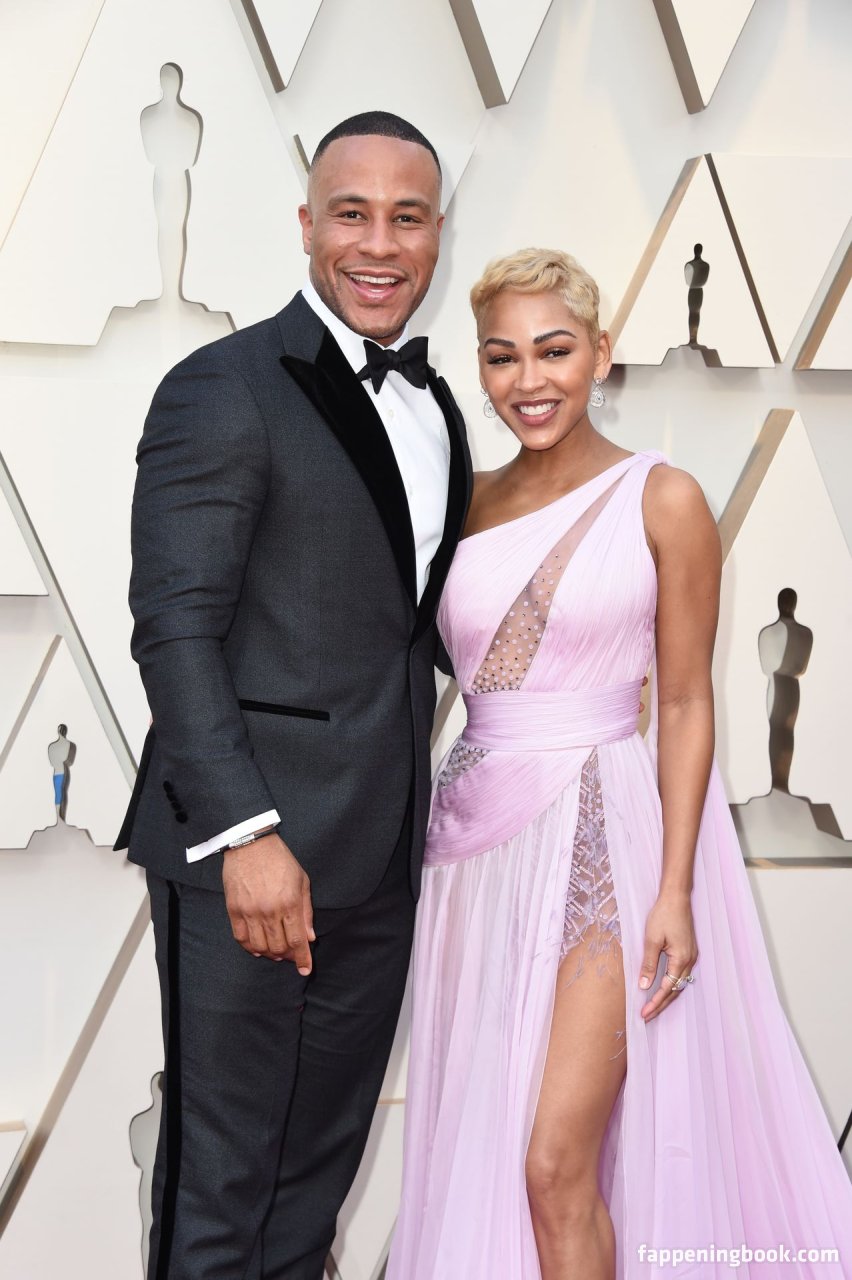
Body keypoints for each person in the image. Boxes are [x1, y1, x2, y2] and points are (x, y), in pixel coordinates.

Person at [387, 248, 852, 1279]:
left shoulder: (664, 497)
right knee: (487, 1149)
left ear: (602, 352)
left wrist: (675, 887)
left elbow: (683, 701)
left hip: (604, 835)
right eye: (502, 357)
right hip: (471, 851)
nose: (529, 379)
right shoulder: (463, 504)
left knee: (554, 1162)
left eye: (554, 350)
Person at [113, 111, 471, 1279]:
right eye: (353, 213)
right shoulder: (221, 387)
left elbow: (409, 629)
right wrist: (245, 833)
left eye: (407, 217)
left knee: (311, 1194)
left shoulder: (436, 407)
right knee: (220, 1194)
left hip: (381, 855)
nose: (380, 243)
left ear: (437, 234)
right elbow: (174, 627)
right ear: (307, 225)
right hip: (249, 859)